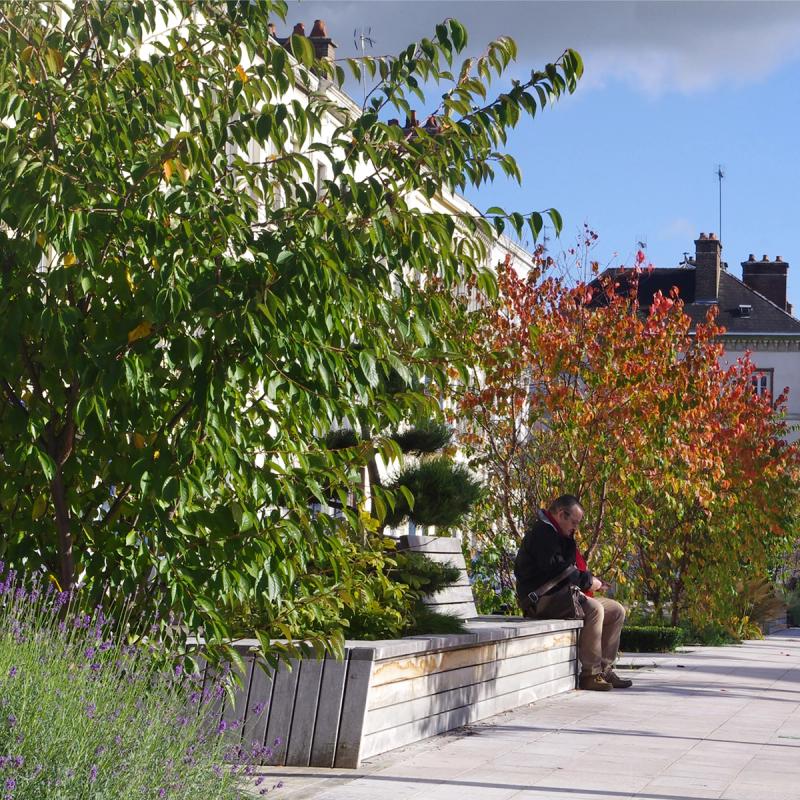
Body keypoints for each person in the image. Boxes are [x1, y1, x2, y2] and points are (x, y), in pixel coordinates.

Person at [514, 494, 632, 691]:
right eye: (574, 522)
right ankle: (590, 675)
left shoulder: (559, 534)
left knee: (616, 610)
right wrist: (588, 581)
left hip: (562, 596)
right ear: (561, 514)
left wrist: (589, 579)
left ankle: (605, 669)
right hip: (541, 601)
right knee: (594, 609)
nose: (575, 527)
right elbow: (559, 570)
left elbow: (568, 567)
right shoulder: (542, 533)